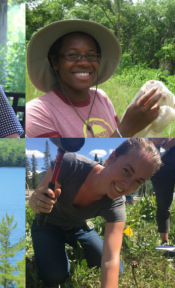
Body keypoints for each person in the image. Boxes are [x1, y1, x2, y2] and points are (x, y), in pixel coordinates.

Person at [28, 138, 162, 287]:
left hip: (79, 229)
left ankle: (75, 251)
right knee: (55, 277)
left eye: (138, 181)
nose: (127, 184)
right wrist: (36, 203)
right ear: (111, 157)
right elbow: (35, 202)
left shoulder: (116, 204)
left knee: (118, 270)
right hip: (46, 225)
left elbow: (111, 258)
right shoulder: (70, 164)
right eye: (126, 171)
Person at [26, 19, 161, 138]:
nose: (84, 63)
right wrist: (127, 129)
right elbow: (67, 162)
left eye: (91, 56)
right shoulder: (37, 112)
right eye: (72, 55)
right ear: (55, 62)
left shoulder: (101, 98)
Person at [149, 138, 175, 246]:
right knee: (163, 205)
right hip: (163, 164)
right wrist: (153, 142)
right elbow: (151, 141)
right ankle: (165, 242)